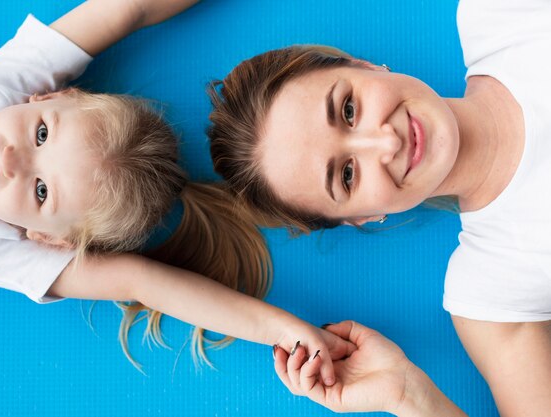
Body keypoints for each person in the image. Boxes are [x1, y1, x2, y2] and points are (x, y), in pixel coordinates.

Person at [0, 0, 352, 378]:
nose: (7, 160)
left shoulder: (1, 249)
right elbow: (129, 8)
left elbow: (144, 283)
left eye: (41, 192)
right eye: (41, 135)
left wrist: (284, 331)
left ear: (49, 239)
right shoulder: (8, 84)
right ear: (54, 96)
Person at [207, 0, 551, 414]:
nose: (387, 143)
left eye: (348, 110)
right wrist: (406, 394)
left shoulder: (501, 14)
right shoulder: (491, 291)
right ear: (362, 217)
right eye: (347, 175)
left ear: (365, 66)